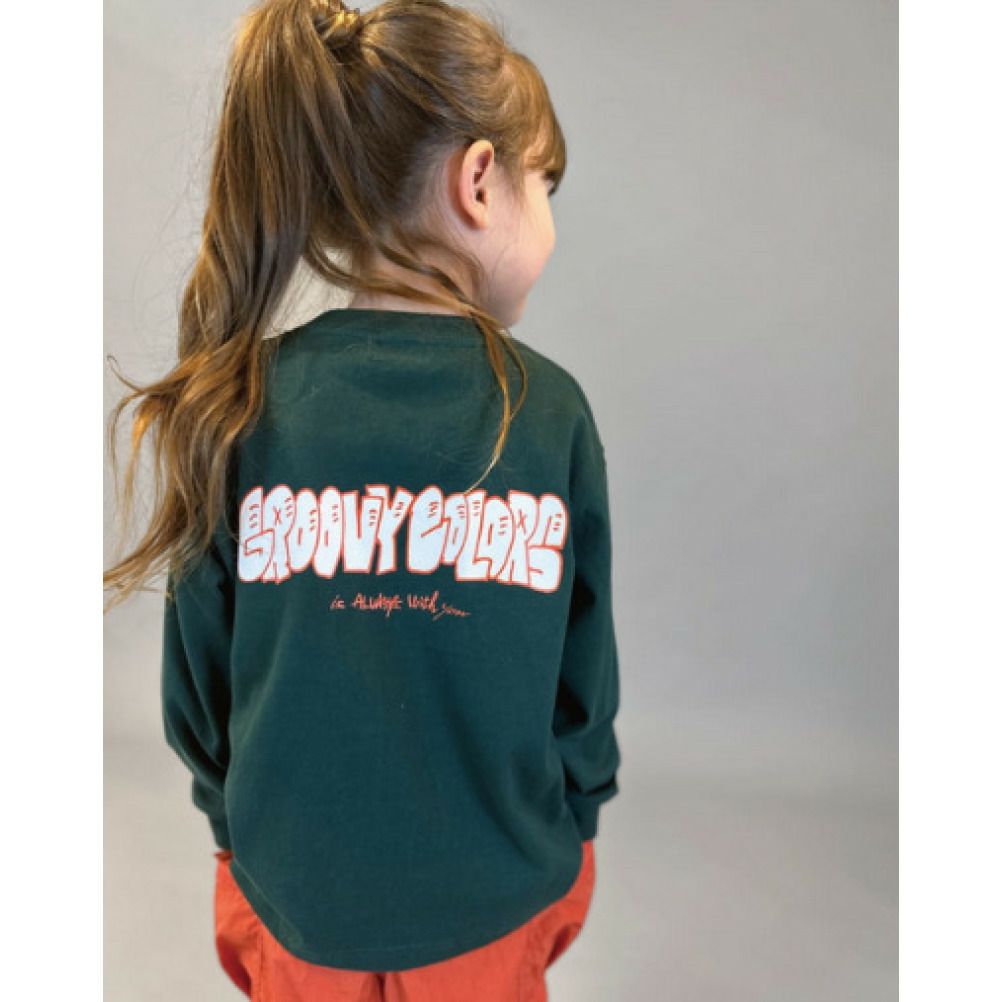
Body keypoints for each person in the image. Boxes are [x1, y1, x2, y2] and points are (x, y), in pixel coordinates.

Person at [104, 0, 622, 998]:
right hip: (495, 904)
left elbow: (199, 680)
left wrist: (235, 828)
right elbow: (583, 678)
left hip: (292, 900)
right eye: (544, 184)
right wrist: (578, 819)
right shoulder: (550, 411)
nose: (551, 219)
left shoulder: (242, 404)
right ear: (481, 180)